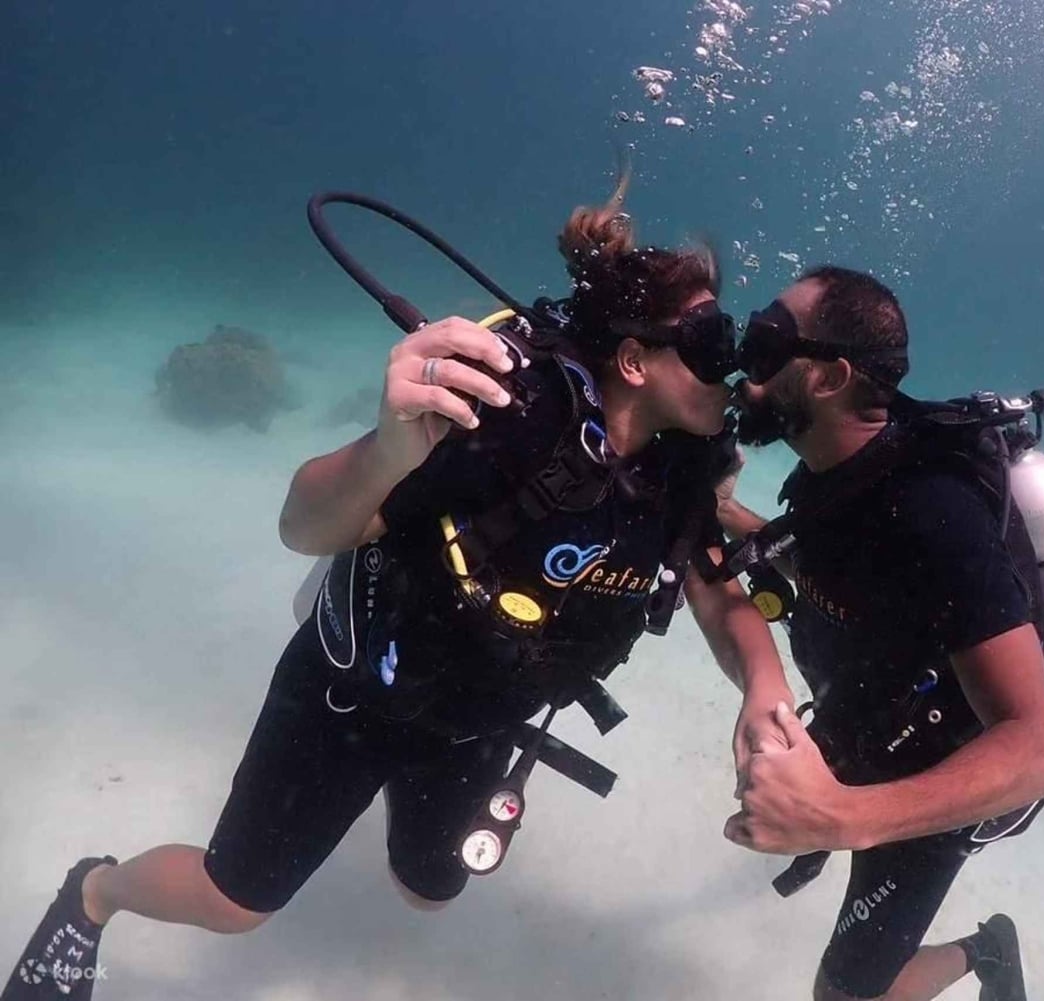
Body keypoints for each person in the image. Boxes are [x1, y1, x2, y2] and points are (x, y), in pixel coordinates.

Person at [1, 188, 786, 1000]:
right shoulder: (510, 417)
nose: (728, 364)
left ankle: (388, 801)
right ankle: (94, 891)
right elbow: (301, 525)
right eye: (707, 341)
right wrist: (387, 451)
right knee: (233, 902)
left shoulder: (682, 467)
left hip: (479, 715)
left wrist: (763, 683)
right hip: (352, 695)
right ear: (633, 362)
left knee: (428, 889)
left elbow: (711, 581)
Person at [711, 266, 1044, 1001]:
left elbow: (1040, 750)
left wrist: (841, 818)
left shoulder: (932, 512)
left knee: (844, 997)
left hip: (950, 776)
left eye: (767, 342)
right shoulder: (839, 471)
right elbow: (835, 564)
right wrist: (723, 515)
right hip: (874, 728)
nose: (745, 364)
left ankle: (985, 950)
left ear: (828, 377)